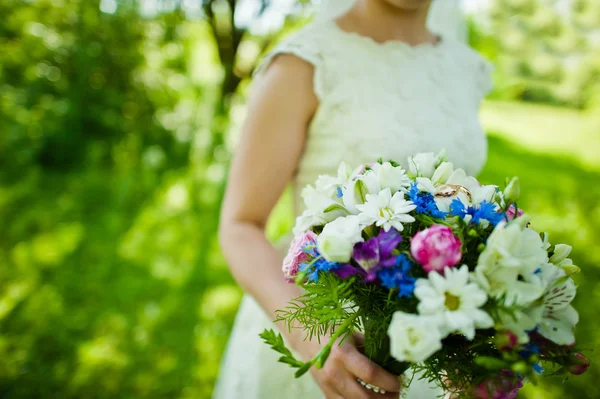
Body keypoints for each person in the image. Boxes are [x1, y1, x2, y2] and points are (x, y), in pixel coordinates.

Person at [215, 0, 492, 398]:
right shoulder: (304, 63)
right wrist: (313, 337)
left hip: (433, 336)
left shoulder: (466, 67)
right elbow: (241, 224)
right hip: (328, 334)